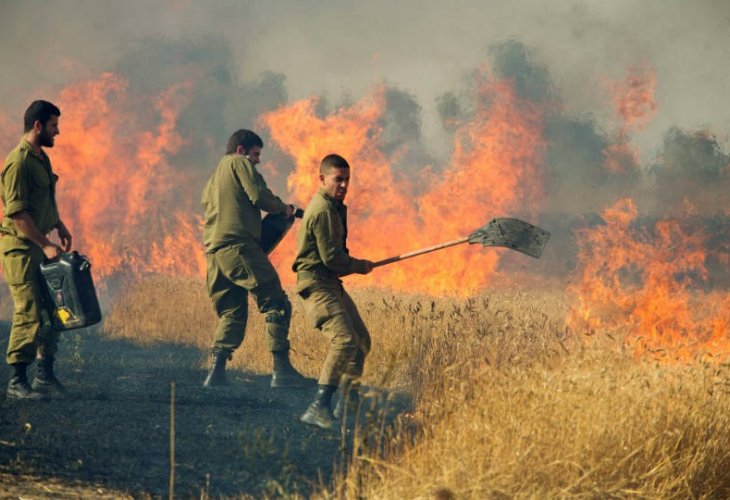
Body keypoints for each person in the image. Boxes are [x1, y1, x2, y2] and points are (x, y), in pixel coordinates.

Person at [201, 129, 306, 389]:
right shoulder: (239, 164)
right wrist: (284, 208)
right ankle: (282, 371)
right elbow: (259, 195)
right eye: (256, 154)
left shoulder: (213, 179)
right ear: (241, 150)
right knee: (277, 303)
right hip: (238, 247)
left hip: (215, 254)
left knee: (232, 312)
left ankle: (215, 374)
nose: (257, 160)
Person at [293, 154, 374, 429]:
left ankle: (348, 401)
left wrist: (353, 264)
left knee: (361, 340)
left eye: (347, 180)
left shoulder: (334, 207)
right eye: (338, 180)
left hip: (330, 282)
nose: (343, 185)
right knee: (344, 341)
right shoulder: (323, 210)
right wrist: (360, 266)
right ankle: (318, 407)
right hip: (316, 283)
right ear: (322, 179)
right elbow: (332, 259)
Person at [1, 100, 73, 400]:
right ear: (38, 126)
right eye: (54, 125)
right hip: (22, 249)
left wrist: (59, 225)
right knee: (29, 311)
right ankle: (17, 381)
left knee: (53, 311)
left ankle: (45, 375)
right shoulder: (18, 162)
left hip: (40, 244)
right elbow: (17, 215)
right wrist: (45, 244)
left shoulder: (41, 159)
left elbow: (42, 202)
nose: (58, 131)